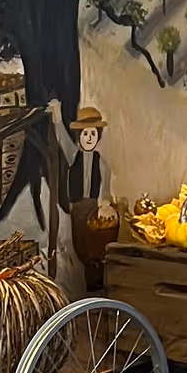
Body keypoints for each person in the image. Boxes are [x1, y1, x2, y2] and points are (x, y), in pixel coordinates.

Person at [60, 104, 118, 290]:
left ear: (98, 137)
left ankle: (96, 284)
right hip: (77, 207)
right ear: (79, 137)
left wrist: (104, 204)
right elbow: (62, 140)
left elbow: (105, 188)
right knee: (80, 247)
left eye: (93, 134)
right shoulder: (72, 157)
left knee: (95, 248)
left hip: (93, 207)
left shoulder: (101, 163)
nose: (89, 138)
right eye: (85, 134)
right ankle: (89, 282)